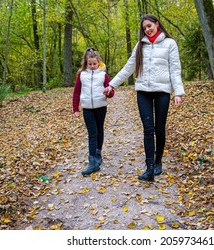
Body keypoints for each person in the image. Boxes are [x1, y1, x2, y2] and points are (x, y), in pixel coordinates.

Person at [104, 14, 185, 182]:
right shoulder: (140, 46)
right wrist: (112, 85)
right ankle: (149, 169)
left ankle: (158, 161)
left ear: (157, 24)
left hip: (162, 90)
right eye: (144, 28)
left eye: (149, 26)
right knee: (148, 129)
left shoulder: (170, 44)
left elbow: (175, 69)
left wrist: (178, 92)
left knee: (159, 128)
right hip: (143, 91)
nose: (147, 30)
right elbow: (128, 67)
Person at [73, 48, 114, 176]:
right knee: (92, 133)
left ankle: (98, 154)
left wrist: (108, 92)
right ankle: (92, 162)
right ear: (86, 63)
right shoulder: (82, 75)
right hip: (87, 109)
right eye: (89, 64)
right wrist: (75, 108)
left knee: (99, 130)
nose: (92, 66)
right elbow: (76, 92)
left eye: (94, 64)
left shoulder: (103, 75)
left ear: (98, 62)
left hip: (101, 106)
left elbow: (111, 91)